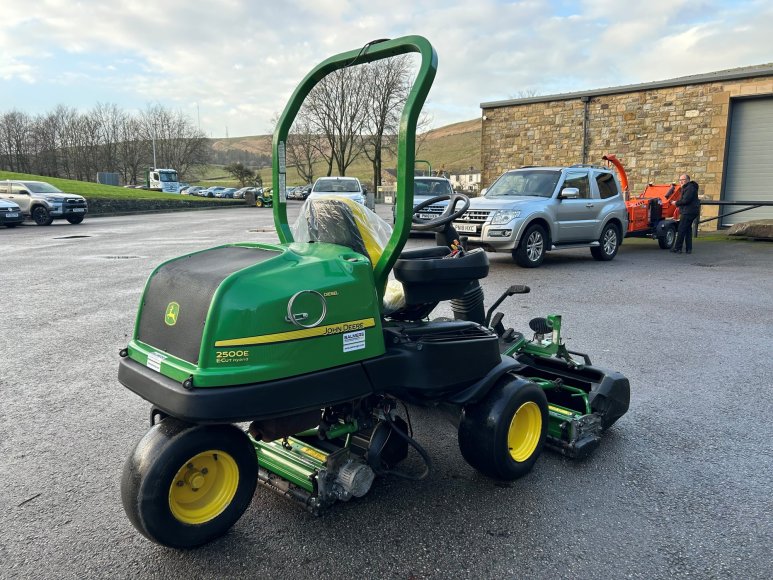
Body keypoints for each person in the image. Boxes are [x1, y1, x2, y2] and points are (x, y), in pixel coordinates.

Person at [671, 174, 700, 254]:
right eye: (680, 180)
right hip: (691, 211)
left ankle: (678, 248)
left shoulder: (689, 188)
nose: (681, 181)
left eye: (683, 179)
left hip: (688, 212)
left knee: (681, 229)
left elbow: (686, 200)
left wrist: (676, 203)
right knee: (687, 230)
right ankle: (688, 249)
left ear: (688, 180)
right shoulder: (688, 187)